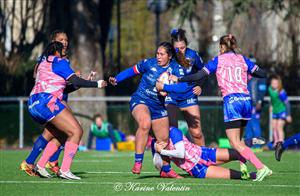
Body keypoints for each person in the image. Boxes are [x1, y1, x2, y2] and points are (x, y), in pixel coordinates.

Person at [157, 34, 272, 181]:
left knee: (234, 142)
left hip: (232, 101)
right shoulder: (243, 59)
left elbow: (199, 75)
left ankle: (261, 167)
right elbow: (262, 73)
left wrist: (179, 79)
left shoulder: (218, 60)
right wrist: (247, 75)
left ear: (222, 47)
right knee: (239, 140)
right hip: (246, 100)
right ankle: (243, 167)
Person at [20, 30, 96, 176]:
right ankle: (52, 164)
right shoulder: (48, 60)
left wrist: (78, 81)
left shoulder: (62, 59)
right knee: (73, 130)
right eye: (61, 39)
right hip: (51, 99)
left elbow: (68, 83)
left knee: (54, 132)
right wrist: (83, 81)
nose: (65, 42)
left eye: (66, 39)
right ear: (53, 42)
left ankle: (35, 163)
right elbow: (40, 76)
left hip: (55, 97)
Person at [109, 42, 188, 178]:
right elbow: (132, 71)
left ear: (169, 56)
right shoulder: (149, 63)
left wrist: (165, 87)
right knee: (145, 123)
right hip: (141, 99)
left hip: (159, 106)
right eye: (157, 53)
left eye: (162, 54)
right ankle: (138, 162)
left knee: (163, 140)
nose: (158, 56)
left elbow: (184, 87)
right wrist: (117, 79)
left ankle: (166, 169)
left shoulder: (176, 69)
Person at [153, 127, 256, 180]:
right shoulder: (155, 142)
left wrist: (162, 151)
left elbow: (180, 153)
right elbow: (158, 166)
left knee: (236, 154)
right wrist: (158, 152)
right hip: (196, 170)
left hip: (204, 154)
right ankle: (255, 175)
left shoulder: (172, 131)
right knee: (240, 176)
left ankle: (247, 143)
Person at [166, 28, 205, 146]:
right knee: (173, 131)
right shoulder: (167, 55)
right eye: (177, 48)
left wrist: (199, 85)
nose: (180, 50)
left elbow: (203, 72)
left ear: (186, 45)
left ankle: (204, 161)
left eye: (182, 47)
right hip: (171, 96)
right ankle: (173, 162)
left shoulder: (192, 55)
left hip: (188, 95)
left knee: (196, 133)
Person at [244, 55, 267, 149]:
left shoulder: (259, 76)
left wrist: (259, 102)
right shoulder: (245, 75)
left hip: (255, 104)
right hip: (246, 103)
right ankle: (249, 145)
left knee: (254, 123)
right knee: (248, 124)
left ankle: (258, 145)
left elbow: (262, 90)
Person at [268, 74, 292, 161]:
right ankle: (276, 142)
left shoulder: (281, 92)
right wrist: (271, 106)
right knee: (273, 127)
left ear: (279, 84)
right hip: (275, 111)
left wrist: (288, 115)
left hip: (282, 111)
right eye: (272, 83)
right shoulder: (270, 89)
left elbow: (287, 103)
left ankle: (281, 143)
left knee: (279, 127)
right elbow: (272, 99)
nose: (274, 85)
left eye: (276, 83)